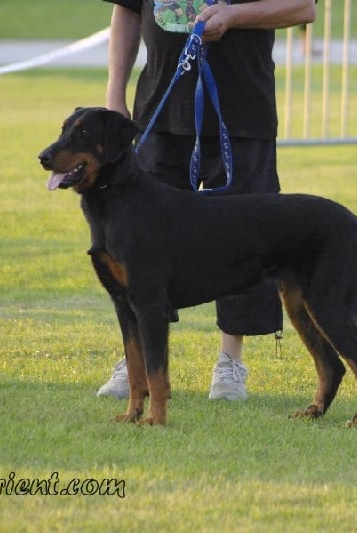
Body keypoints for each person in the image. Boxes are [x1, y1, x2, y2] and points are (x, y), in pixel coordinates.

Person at [96, 0, 317, 401]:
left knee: (245, 240)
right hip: (160, 109)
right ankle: (137, 363)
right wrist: (115, 94)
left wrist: (233, 16)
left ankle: (230, 362)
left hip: (244, 110)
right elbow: (127, 10)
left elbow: (302, 7)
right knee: (138, 248)